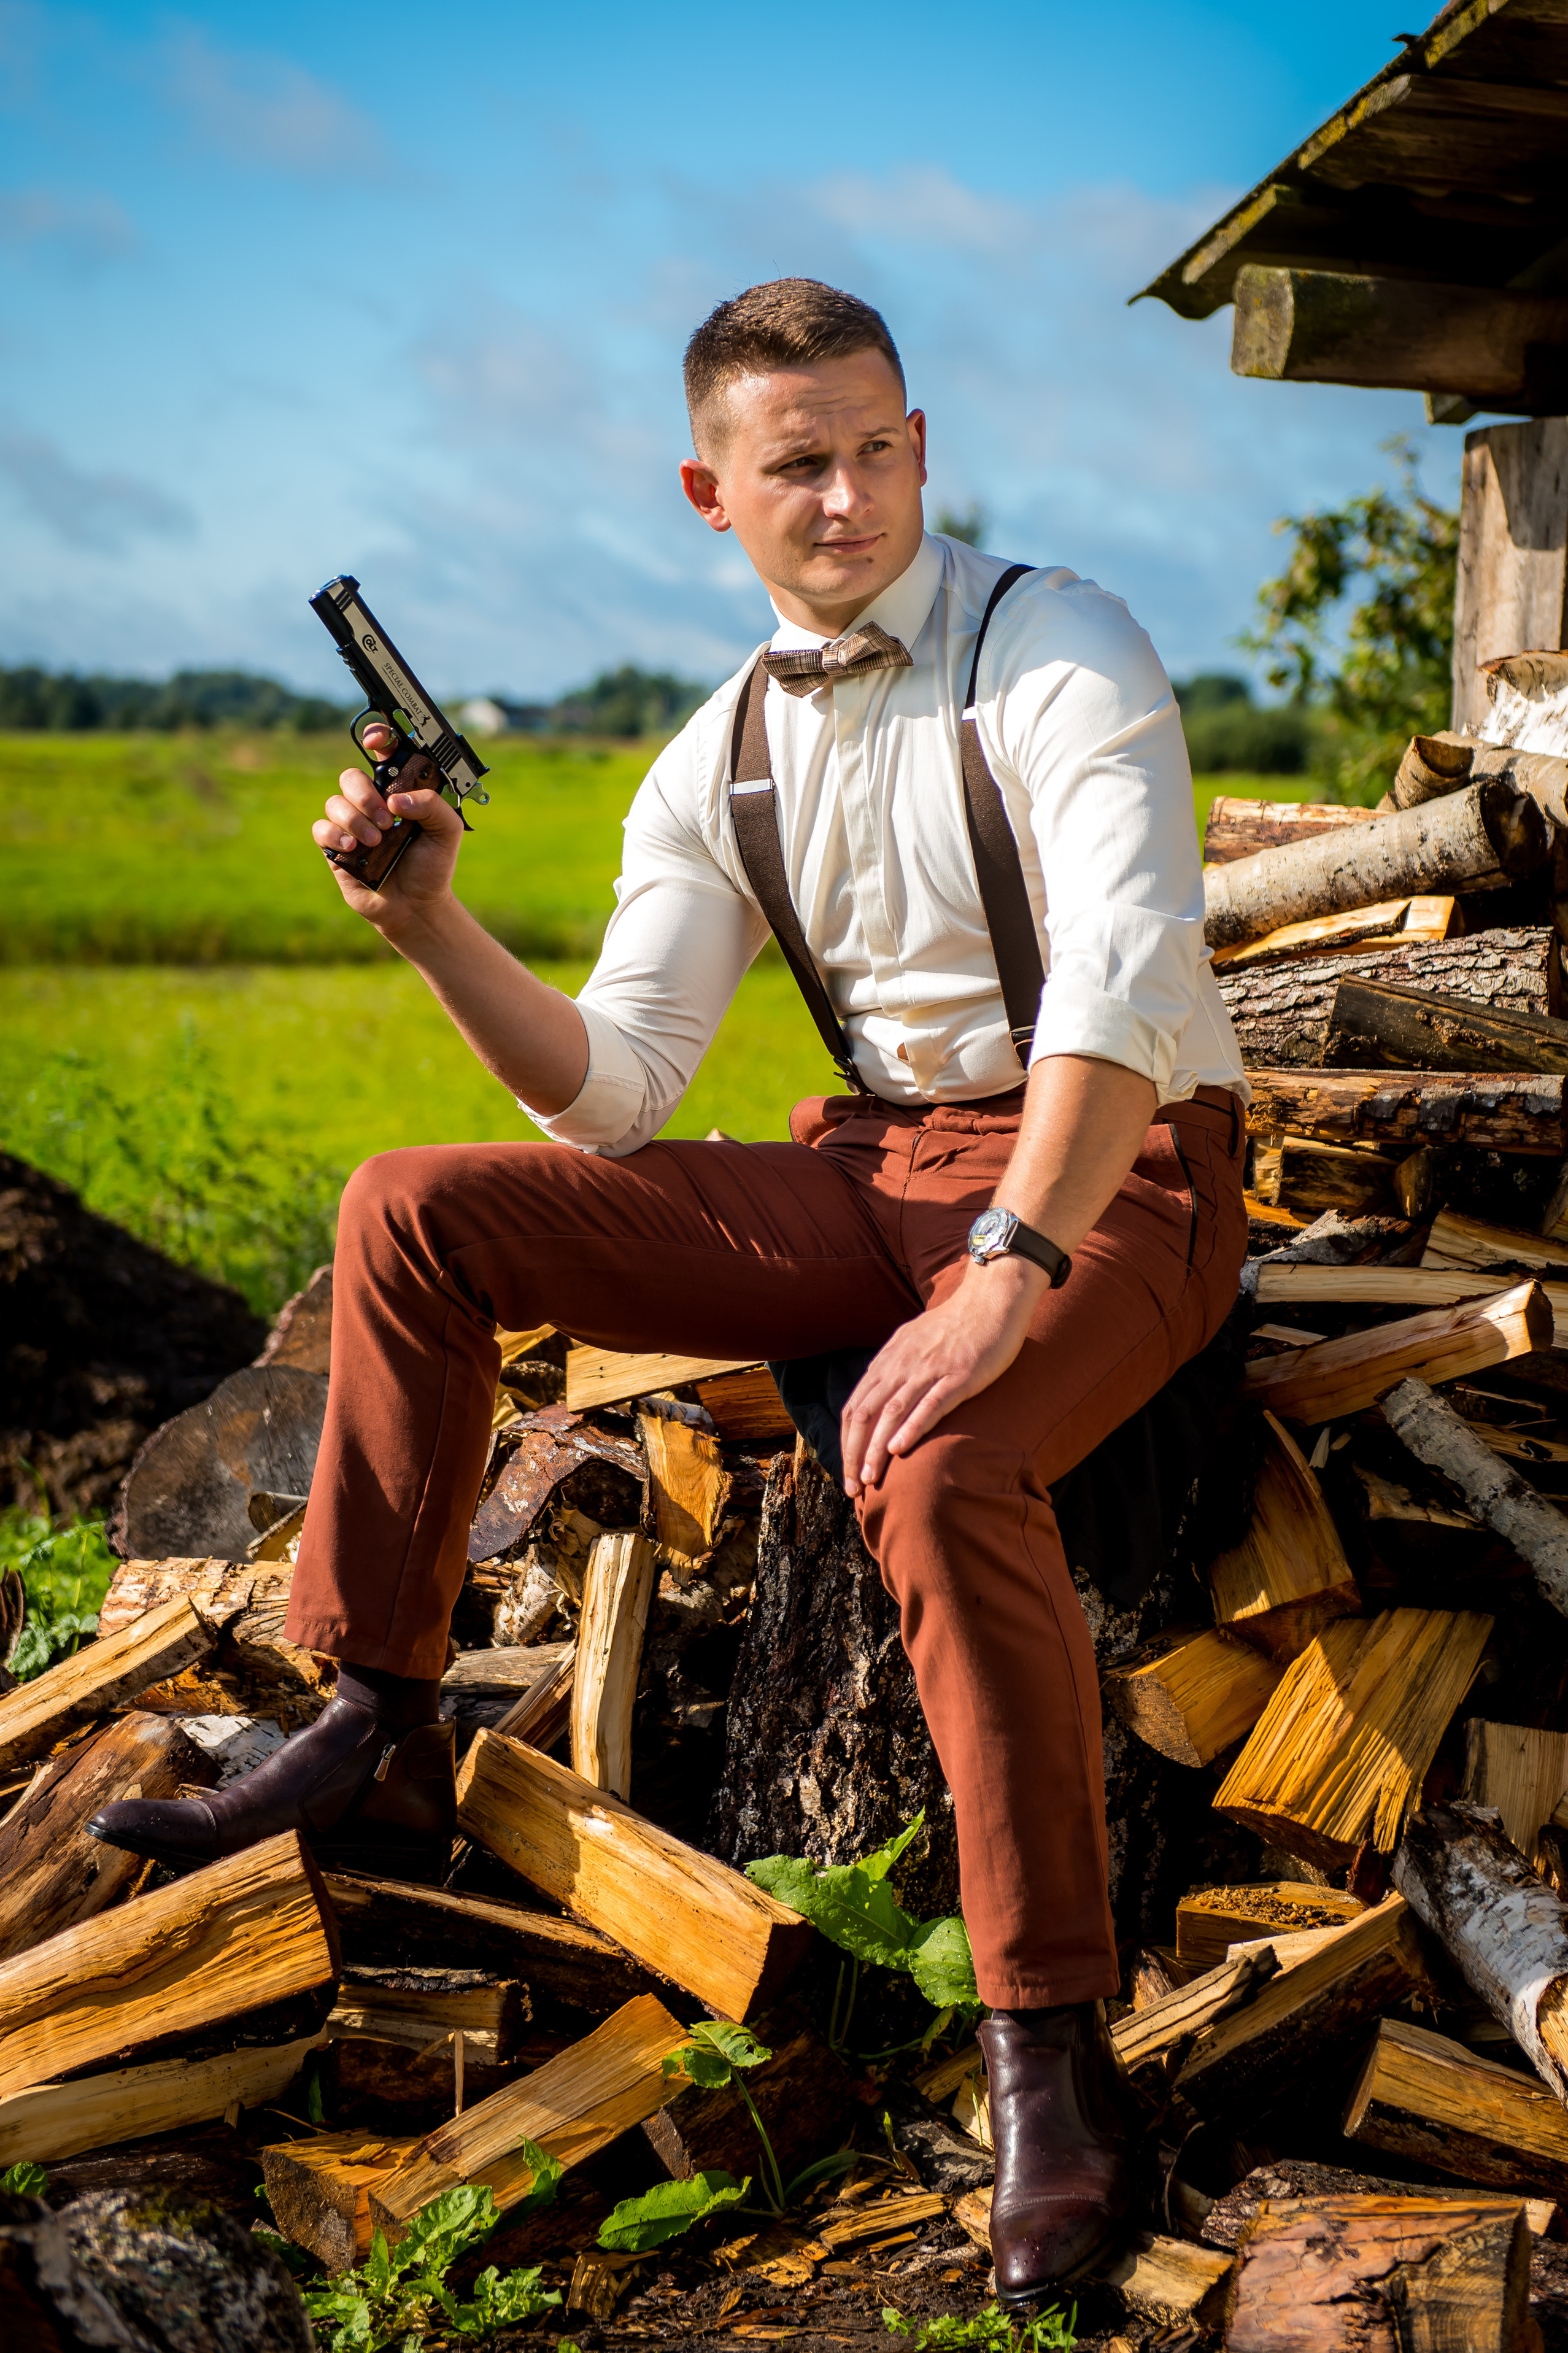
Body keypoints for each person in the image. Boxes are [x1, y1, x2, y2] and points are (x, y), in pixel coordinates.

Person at [91, 277, 1248, 2301]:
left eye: (880, 446)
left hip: (1115, 1163)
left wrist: (1001, 1273)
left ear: (921, 444)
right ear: (711, 490)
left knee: (945, 1455)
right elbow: (619, 1090)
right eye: (798, 462)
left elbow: (1126, 983)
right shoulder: (713, 755)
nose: (850, 494)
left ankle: (1047, 2050)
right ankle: (377, 1705)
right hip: (867, 1159)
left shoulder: (1057, 648)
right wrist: (429, 924)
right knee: (411, 1208)